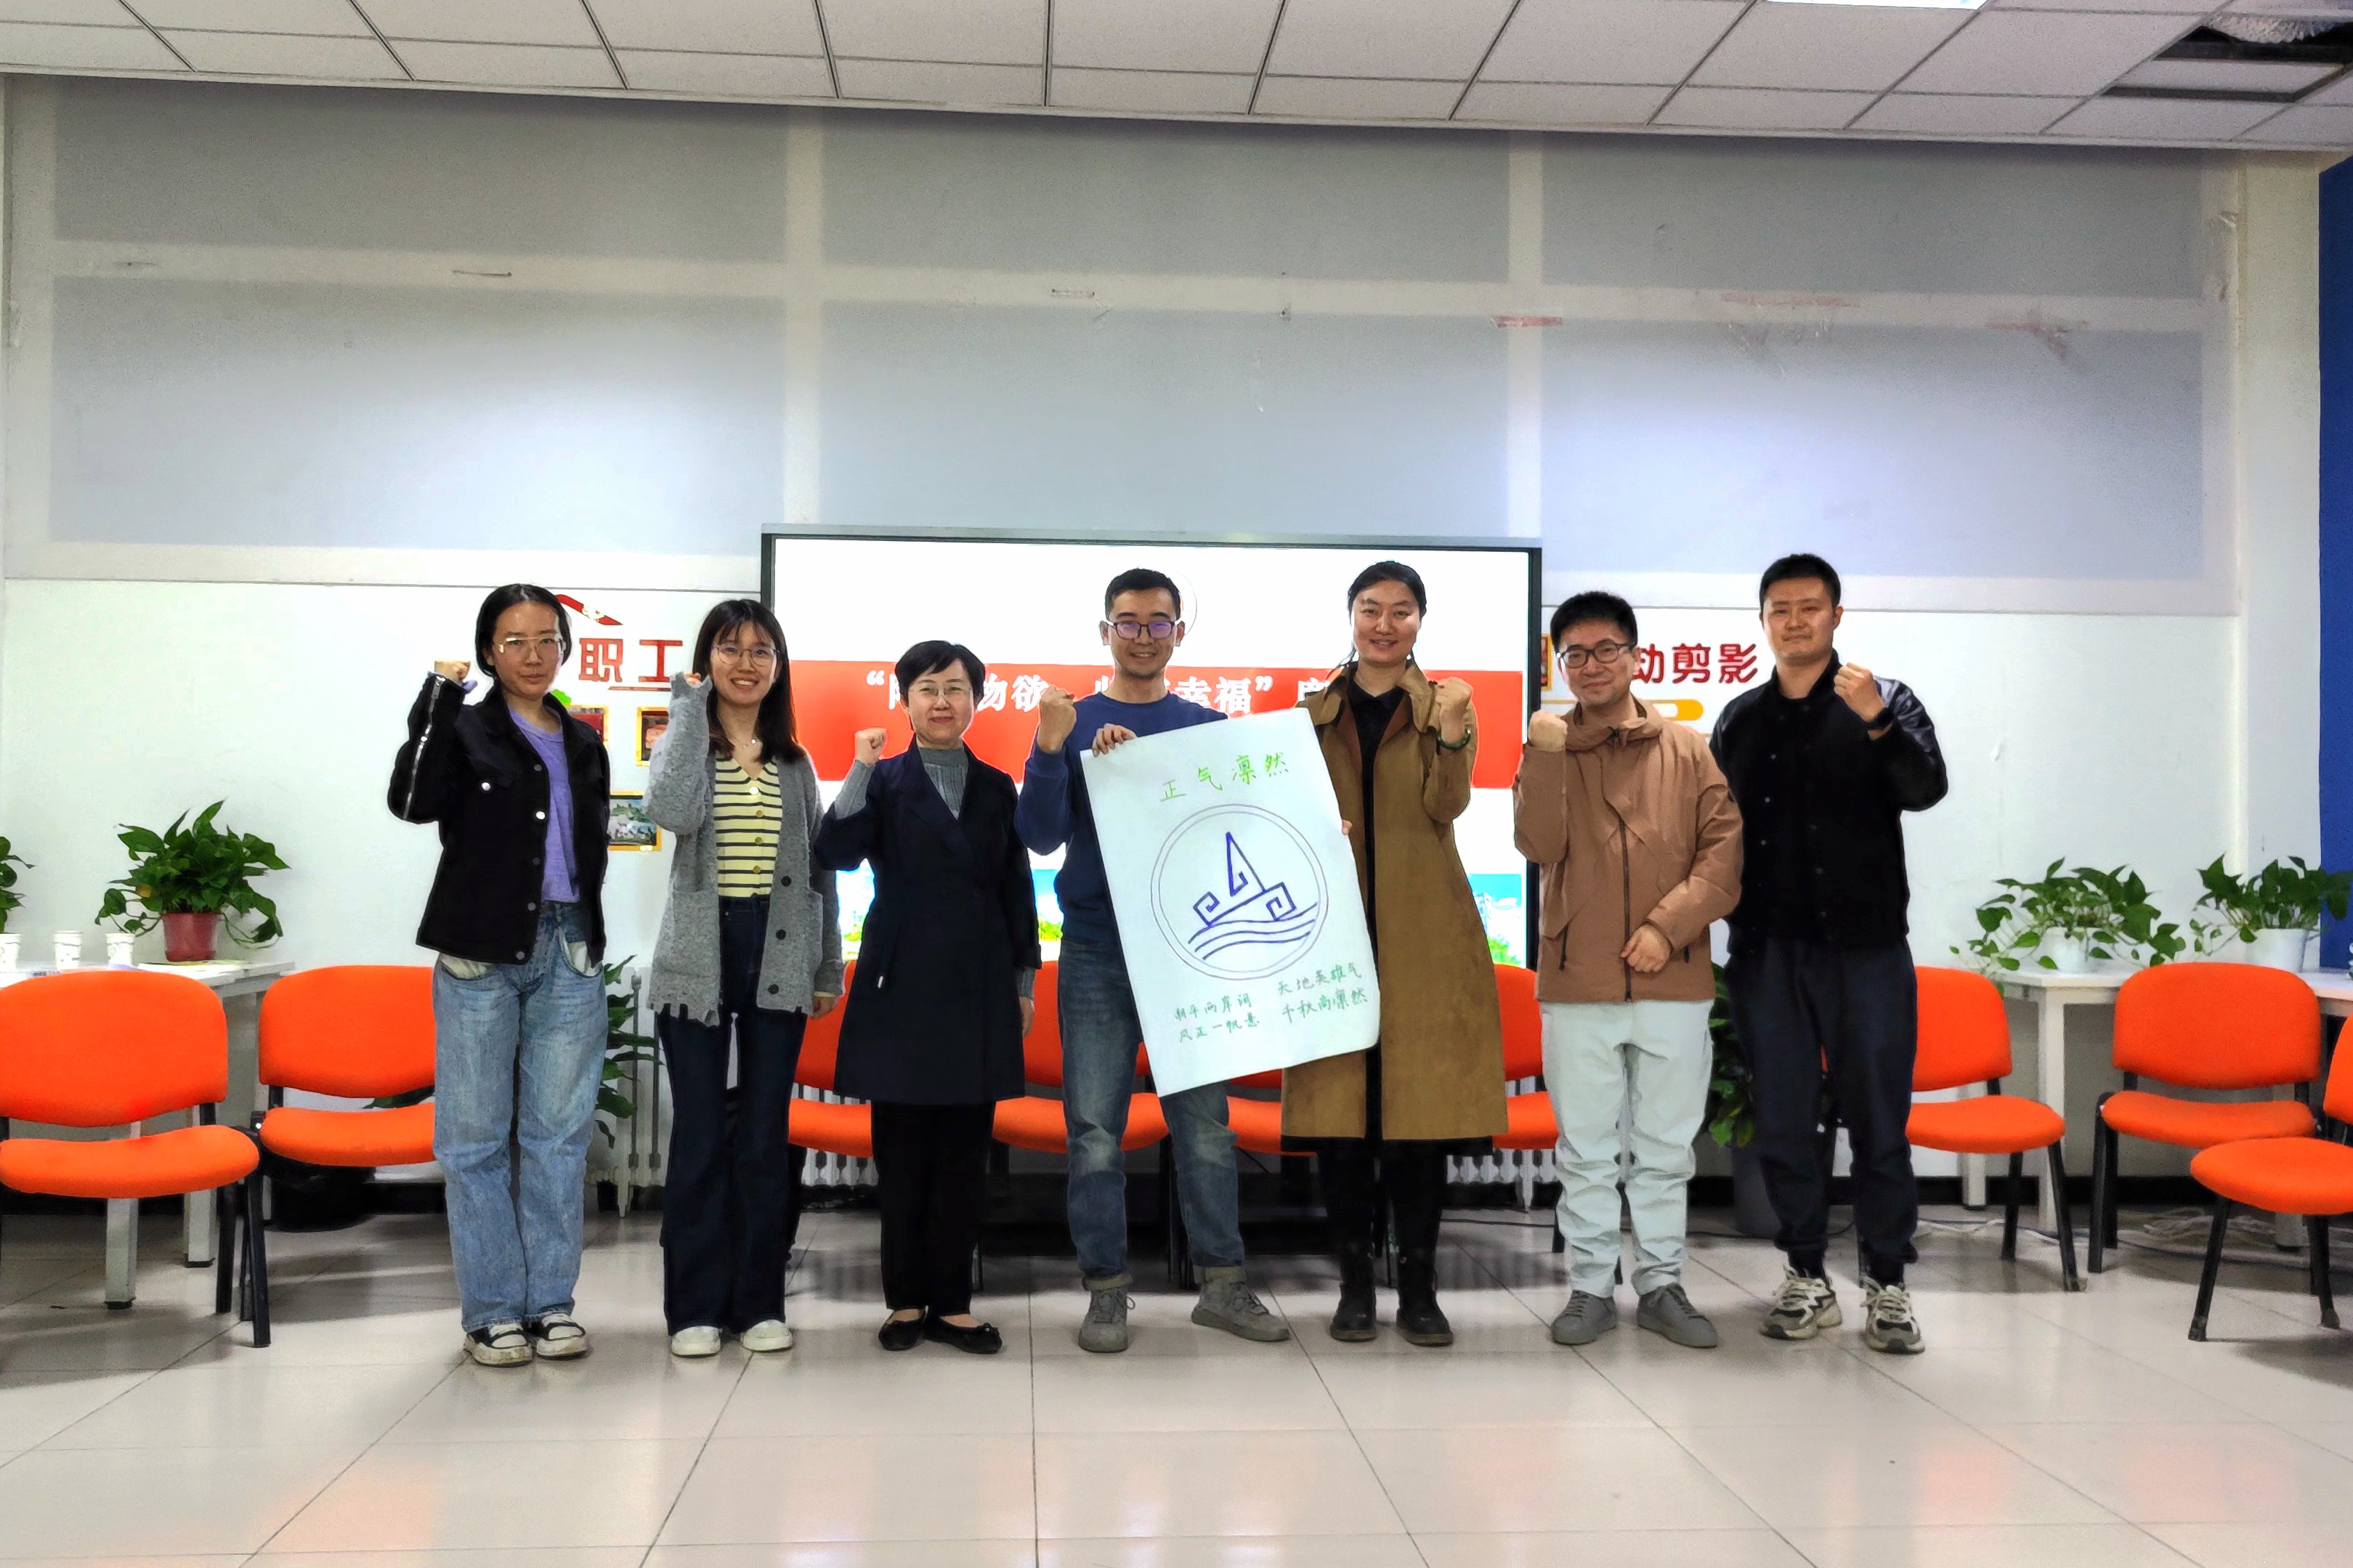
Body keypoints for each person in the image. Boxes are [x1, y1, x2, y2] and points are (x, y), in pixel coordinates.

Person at [1016, 568, 1289, 1353]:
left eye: (1157, 621)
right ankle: (1105, 1291)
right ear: (1104, 631)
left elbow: (1236, 829)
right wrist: (1052, 746)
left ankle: (1222, 1285)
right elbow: (1038, 835)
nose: (1143, 635)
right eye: (1128, 622)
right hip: (1097, 946)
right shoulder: (1070, 720)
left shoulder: (1207, 726)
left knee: (1204, 1128)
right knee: (1095, 1131)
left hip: (1186, 951)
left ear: (1179, 632)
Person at [1711, 553, 1948, 1355]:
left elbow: (1923, 789)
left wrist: (1876, 719)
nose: (1793, 620)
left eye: (1808, 607)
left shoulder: (1885, 699)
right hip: (1767, 950)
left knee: (1878, 1119)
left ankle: (1887, 1282)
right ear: (1762, 621)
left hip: (1865, 948)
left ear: (1836, 615)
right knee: (1782, 1119)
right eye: (1778, 609)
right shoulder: (1740, 719)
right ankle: (1805, 1273)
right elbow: (1716, 830)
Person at [1514, 591, 1743, 1351]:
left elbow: (1722, 857)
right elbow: (1537, 845)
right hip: (1577, 977)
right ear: (1559, 665)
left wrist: (1663, 927)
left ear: (1635, 656)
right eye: (1574, 654)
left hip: (1671, 976)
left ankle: (1661, 1284)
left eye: (1606, 649)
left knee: (1664, 1149)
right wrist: (1543, 755)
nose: (1590, 665)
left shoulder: (1687, 749)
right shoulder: (1549, 745)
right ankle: (1588, 1286)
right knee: (1584, 1149)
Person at [389, 583, 611, 1367]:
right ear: (488, 650)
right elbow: (411, 802)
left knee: (558, 1139)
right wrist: (437, 695)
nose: (533, 654)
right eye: (514, 640)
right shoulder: (463, 726)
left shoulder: (582, 740)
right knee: (474, 1140)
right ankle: (491, 1311)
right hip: (480, 953)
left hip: (569, 950)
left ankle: (550, 1303)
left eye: (547, 638)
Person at [1289, 560, 1504, 1346]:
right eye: (1370, 608)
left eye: (1401, 610)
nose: (1385, 624)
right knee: (1341, 1123)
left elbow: (1447, 805)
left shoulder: (1445, 706)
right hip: (1332, 935)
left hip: (1424, 935)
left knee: (1418, 1121)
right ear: (1350, 616)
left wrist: (1450, 733)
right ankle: (1353, 1286)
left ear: (1420, 620)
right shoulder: (1311, 714)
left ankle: (1418, 1287)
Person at [814, 641, 1040, 1355]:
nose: (942, 701)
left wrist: (1023, 981)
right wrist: (857, 767)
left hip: (978, 982)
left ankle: (953, 1303)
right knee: (904, 1154)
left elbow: (1015, 889)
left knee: (963, 1155)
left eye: (956, 688)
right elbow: (835, 851)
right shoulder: (882, 779)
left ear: (977, 699)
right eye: (927, 688)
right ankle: (905, 1301)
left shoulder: (997, 786)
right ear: (905, 699)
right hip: (900, 982)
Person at [644, 598, 843, 1359]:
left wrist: (825, 965)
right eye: (729, 648)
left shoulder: (795, 763)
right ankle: (693, 1308)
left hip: (779, 949)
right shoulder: (686, 744)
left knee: (763, 1135)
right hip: (698, 953)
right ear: (707, 660)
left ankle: (759, 1301)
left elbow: (819, 873)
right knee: (699, 1134)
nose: (745, 663)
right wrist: (686, 711)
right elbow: (671, 812)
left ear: (779, 666)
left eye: (761, 650)